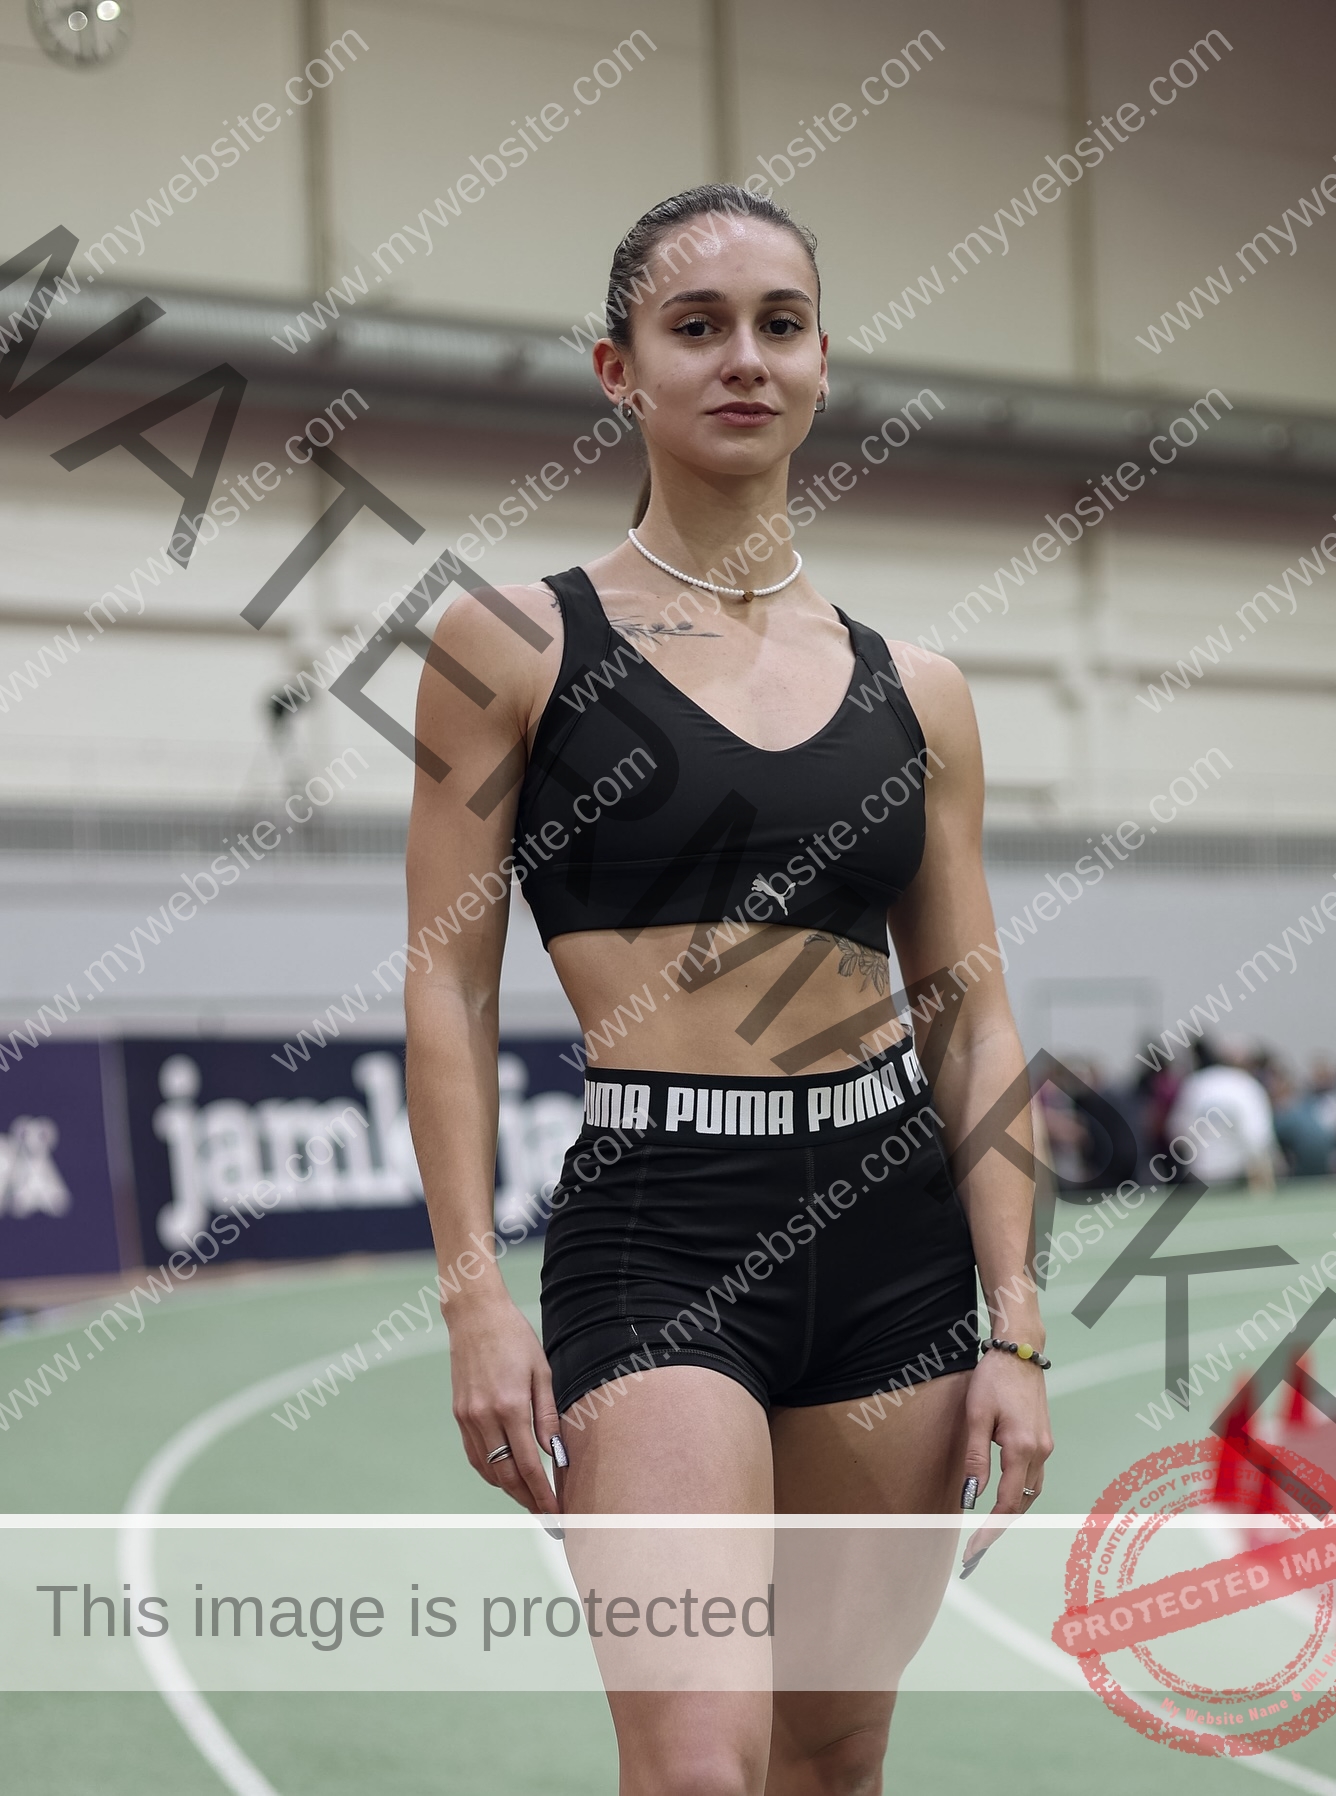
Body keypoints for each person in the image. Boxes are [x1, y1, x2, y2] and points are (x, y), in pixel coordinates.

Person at [404, 184, 1051, 1793]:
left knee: (832, 1755)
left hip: (896, 1240)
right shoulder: (509, 647)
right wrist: (474, 1292)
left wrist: (1018, 1320)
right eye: (696, 328)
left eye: (779, 325)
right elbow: (445, 994)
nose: (742, 359)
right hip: (659, 1228)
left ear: (824, 359)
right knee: (700, 1759)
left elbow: (971, 1014)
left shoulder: (925, 692)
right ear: (617, 369)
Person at [1168, 1036, 1279, 1191]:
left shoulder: (1196, 1084)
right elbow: (1257, 1136)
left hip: (1200, 1175)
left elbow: (1178, 1132)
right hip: (1238, 1176)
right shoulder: (1247, 1086)